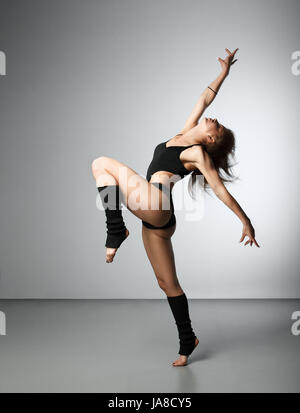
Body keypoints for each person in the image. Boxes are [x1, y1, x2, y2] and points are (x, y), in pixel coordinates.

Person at [91, 47, 260, 367]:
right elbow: (205, 98)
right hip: (159, 221)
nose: (215, 120)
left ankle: (115, 230)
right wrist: (224, 73)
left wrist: (245, 220)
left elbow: (220, 190)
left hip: (154, 202)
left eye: (218, 128)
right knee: (167, 283)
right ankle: (188, 340)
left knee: (101, 164)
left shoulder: (198, 154)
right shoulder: (185, 131)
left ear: (211, 141)